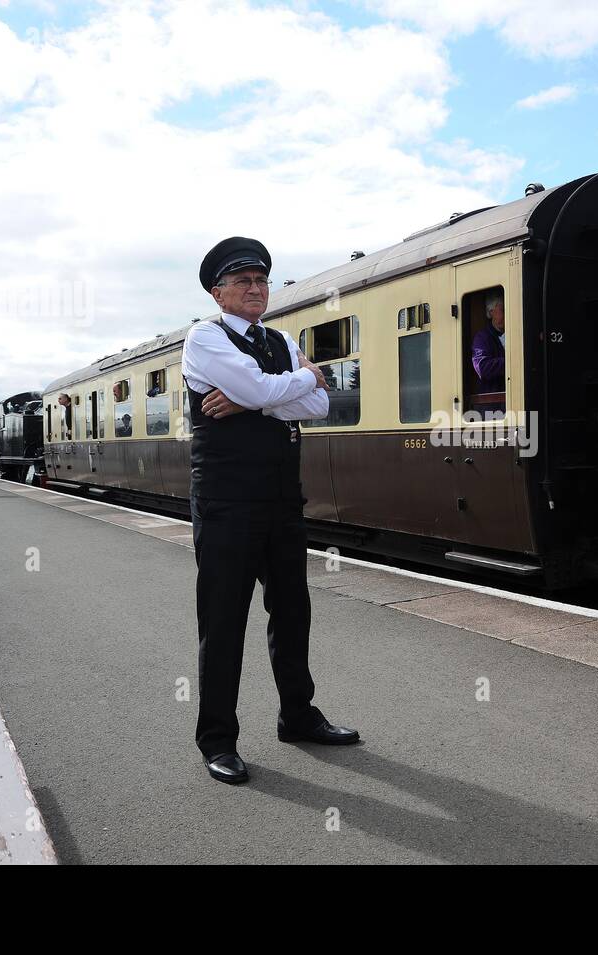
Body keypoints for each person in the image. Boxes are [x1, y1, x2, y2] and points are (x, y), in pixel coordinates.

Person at [182, 236, 359, 786]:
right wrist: (288, 383)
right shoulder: (204, 338)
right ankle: (218, 739)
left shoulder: (280, 338)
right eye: (242, 282)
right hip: (227, 501)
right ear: (218, 293)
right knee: (225, 620)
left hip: (282, 497)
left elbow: (320, 403)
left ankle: (298, 716)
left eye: (261, 281)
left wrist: (249, 398)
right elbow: (286, 389)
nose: (256, 289)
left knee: (292, 611)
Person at [471, 293, 505, 393]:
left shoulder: (517, 333)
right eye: (503, 310)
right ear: (491, 312)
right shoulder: (482, 337)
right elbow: (482, 367)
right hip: (493, 403)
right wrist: (511, 362)